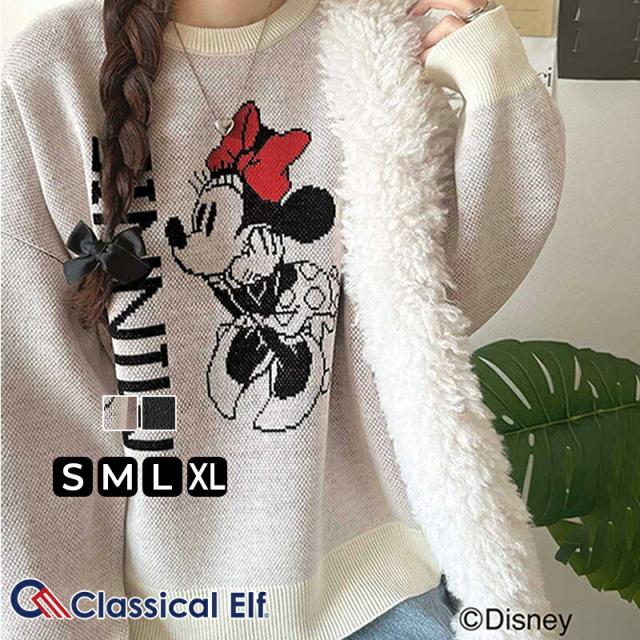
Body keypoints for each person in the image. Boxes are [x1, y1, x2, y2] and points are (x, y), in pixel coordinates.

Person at [1, 0, 565, 638]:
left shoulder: (366, 46)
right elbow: (40, 415)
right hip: (167, 610)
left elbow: (444, 294)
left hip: (377, 590)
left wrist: (486, 64)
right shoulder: (54, 75)